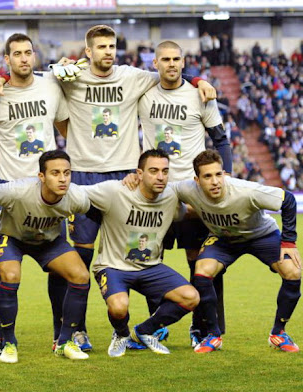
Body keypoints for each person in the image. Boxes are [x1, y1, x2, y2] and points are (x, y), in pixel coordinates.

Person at [0, 25, 215, 350]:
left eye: (112, 46)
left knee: (140, 250)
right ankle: (68, 330)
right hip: (82, 177)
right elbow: (30, 76)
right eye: (101, 46)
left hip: (125, 177)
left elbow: (170, 77)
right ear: (88, 51)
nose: (108, 51)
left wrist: (201, 81)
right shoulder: (68, 75)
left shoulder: (133, 76)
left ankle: (145, 329)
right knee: (74, 259)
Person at [0, 33, 71, 354]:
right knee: (9, 272)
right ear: (6, 60)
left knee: (62, 271)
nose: (24, 58)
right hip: (10, 198)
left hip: (50, 196)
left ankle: (61, 335)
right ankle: (3, 337)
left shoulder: (51, 86)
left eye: (28, 53)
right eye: (16, 54)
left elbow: (69, 133)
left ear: (34, 56)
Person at [138, 40, 232, 346]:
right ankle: (156, 325)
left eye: (176, 59)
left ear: (184, 61)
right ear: (155, 63)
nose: (171, 64)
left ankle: (203, 326)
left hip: (192, 195)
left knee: (201, 262)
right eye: (165, 59)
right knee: (148, 260)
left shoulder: (200, 94)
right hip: (155, 193)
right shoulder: (143, 91)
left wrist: (224, 177)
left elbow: (221, 140)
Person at [0, 150, 93, 363]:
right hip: (11, 236)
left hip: (48, 241)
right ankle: (8, 342)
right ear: (41, 176)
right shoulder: (18, 190)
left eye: (67, 173)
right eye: (55, 173)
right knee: (10, 275)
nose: (62, 178)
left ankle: (64, 341)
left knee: (81, 276)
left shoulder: (77, 197)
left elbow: (97, 210)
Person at [171, 150, 301, 353]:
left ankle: (279, 332)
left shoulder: (246, 190)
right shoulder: (186, 189)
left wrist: (289, 242)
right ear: (196, 180)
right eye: (207, 176)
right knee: (201, 270)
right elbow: (160, 191)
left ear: (224, 174)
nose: (214, 181)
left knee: (293, 271)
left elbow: (288, 200)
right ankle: (213, 336)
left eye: (218, 174)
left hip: (261, 235)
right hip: (224, 239)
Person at [85, 149, 199, 357]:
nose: (160, 177)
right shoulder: (115, 191)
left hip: (150, 268)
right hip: (113, 267)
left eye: (165, 171)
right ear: (139, 173)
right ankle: (121, 334)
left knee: (191, 297)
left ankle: (144, 331)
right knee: (119, 307)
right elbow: (77, 193)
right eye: (153, 171)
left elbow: (189, 210)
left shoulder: (171, 197)